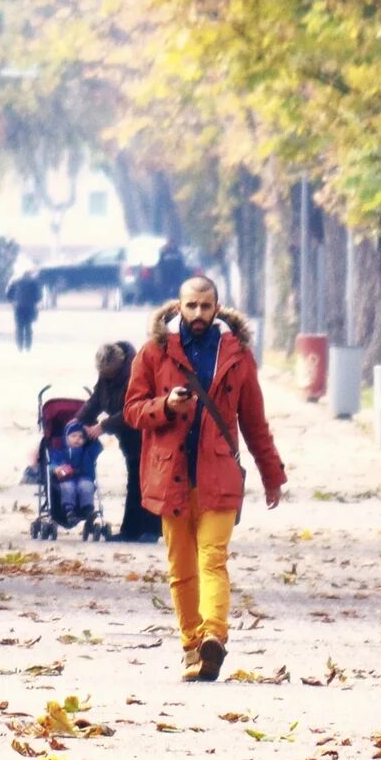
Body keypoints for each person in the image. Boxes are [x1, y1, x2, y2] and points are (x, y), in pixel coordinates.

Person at [124, 275, 286, 681]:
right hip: (170, 476)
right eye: (191, 306)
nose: (198, 314)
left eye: (205, 306)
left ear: (217, 308)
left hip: (219, 474)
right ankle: (191, 647)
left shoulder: (237, 356)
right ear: (178, 308)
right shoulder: (154, 353)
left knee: (212, 558)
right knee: (181, 567)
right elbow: (132, 410)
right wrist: (165, 406)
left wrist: (271, 474)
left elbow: (254, 422)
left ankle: (213, 637)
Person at [73, 339, 157, 540]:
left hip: (146, 434)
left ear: (119, 367)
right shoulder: (106, 376)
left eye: (109, 374)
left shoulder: (136, 374)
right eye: (103, 374)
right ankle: (131, 530)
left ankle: (151, 530)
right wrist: (78, 421)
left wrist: (103, 426)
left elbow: (132, 409)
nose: (106, 377)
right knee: (134, 482)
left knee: (147, 481)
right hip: (127, 437)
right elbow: (96, 400)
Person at [6, 267, 44, 351]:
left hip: (18, 306)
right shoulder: (34, 282)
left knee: (19, 327)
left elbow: (8, 294)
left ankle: (19, 346)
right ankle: (28, 346)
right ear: (29, 274)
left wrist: (12, 302)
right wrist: (36, 303)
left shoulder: (15, 282)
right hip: (29, 307)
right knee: (28, 327)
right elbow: (39, 295)